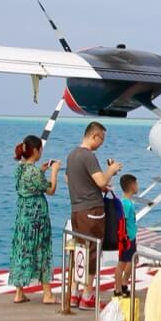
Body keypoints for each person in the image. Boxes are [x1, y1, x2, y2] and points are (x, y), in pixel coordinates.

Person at [63, 122, 121, 285]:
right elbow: (101, 181)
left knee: (79, 250)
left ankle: (74, 291)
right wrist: (112, 170)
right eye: (102, 139)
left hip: (76, 210)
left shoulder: (72, 155)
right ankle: (88, 293)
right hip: (92, 211)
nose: (102, 143)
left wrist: (89, 186)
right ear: (94, 136)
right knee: (92, 251)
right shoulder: (88, 156)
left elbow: (68, 179)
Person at [7, 135, 59, 304]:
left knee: (22, 251)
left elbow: (27, 184)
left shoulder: (20, 169)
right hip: (37, 217)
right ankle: (47, 294)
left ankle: (19, 292)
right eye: (41, 150)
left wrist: (42, 171)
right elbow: (50, 190)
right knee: (41, 250)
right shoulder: (34, 172)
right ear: (36, 151)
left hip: (23, 216)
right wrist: (54, 171)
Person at [111, 172, 141, 296]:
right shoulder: (126, 204)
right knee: (122, 263)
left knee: (131, 261)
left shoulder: (127, 202)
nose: (138, 186)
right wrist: (125, 237)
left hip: (132, 237)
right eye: (136, 184)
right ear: (132, 186)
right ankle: (118, 288)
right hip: (127, 239)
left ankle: (124, 283)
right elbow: (124, 221)